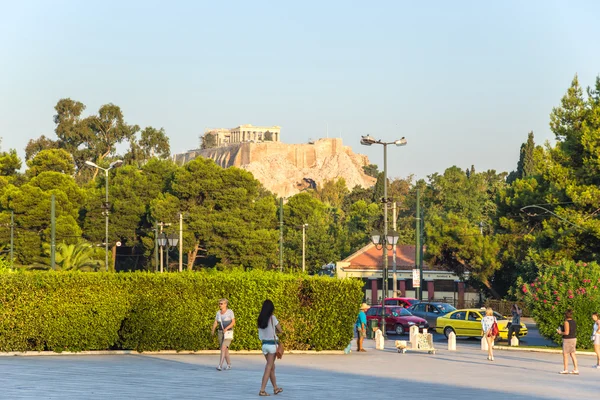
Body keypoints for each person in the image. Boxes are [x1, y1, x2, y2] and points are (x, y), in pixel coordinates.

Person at [257, 299, 283, 396]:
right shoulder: (273, 318)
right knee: (269, 367)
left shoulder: (260, 319)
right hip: (272, 345)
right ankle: (262, 390)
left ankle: (275, 388)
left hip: (264, 346)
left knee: (271, 366)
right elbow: (280, 330)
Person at [211, 298, 235, 371]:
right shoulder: (218, 313)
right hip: (220, 332)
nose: (220, 305)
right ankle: (229, 364)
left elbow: (233, 322)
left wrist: (226, 328)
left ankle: (220, 365)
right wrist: (213, 330)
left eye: (221, 304)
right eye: (219, 303)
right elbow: (216, 322)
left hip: (228, 333)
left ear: (225, 304)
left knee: (223, 348)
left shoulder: (230, 312)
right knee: (225, 349)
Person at [557, 309, 578, 375]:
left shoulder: (566, 322)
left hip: (567, 339)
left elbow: (566, 332)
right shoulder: (574, 322)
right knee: (573, 354)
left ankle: (565, 369)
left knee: (565, 354)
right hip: (573, 338)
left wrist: (560, 332)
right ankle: (576, 369)